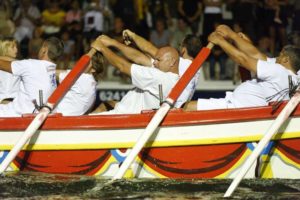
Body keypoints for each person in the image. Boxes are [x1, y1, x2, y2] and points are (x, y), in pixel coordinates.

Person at [184, 25, 300, 111]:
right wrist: (235, 37)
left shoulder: (279, 70)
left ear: (286, 60)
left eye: (280, 56)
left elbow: (243, 59)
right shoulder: (294, 77)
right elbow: (257, 55)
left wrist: (220, 41)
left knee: (186, 107)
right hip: (245, 107)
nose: (276, 58)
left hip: (236, 107)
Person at [91, 35, 180, 114]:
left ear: (172, 62)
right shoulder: (169, 76)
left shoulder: (159, 77)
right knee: (105, 104)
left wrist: (102, 48)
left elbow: (122, 66)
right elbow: (138, 57)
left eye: (158, 60)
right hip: (121, 109)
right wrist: (114, 43)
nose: (154, 63)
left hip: (122, 118)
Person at [122, 29, 203, 107]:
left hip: (171, 111)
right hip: (176, 110)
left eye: (180, 45)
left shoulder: (183, 63)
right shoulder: (196, 69)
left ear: (183, 50)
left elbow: (149, 49)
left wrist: (133, 36)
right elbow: (144, 58)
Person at [0, 37, 64, 117]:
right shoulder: (52, 71)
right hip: (29, 113)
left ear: (44, 50)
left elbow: (2, 65)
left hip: (12, 115)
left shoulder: (31, 65)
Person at [54, 52, 104, 116]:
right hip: (68, 120)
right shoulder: (92, 84)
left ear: (93, 69)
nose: (82, 63)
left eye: (87, 62)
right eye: (82, 59)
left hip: (58, 119)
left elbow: (51, 72)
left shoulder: (82, 78)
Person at [0, 37, 19, 104]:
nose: (16, 50)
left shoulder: (20, 64)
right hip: (7, 102)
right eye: (13, 47)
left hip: (15, 102)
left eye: (16, 47)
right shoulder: (20, 64)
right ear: (4, 48)